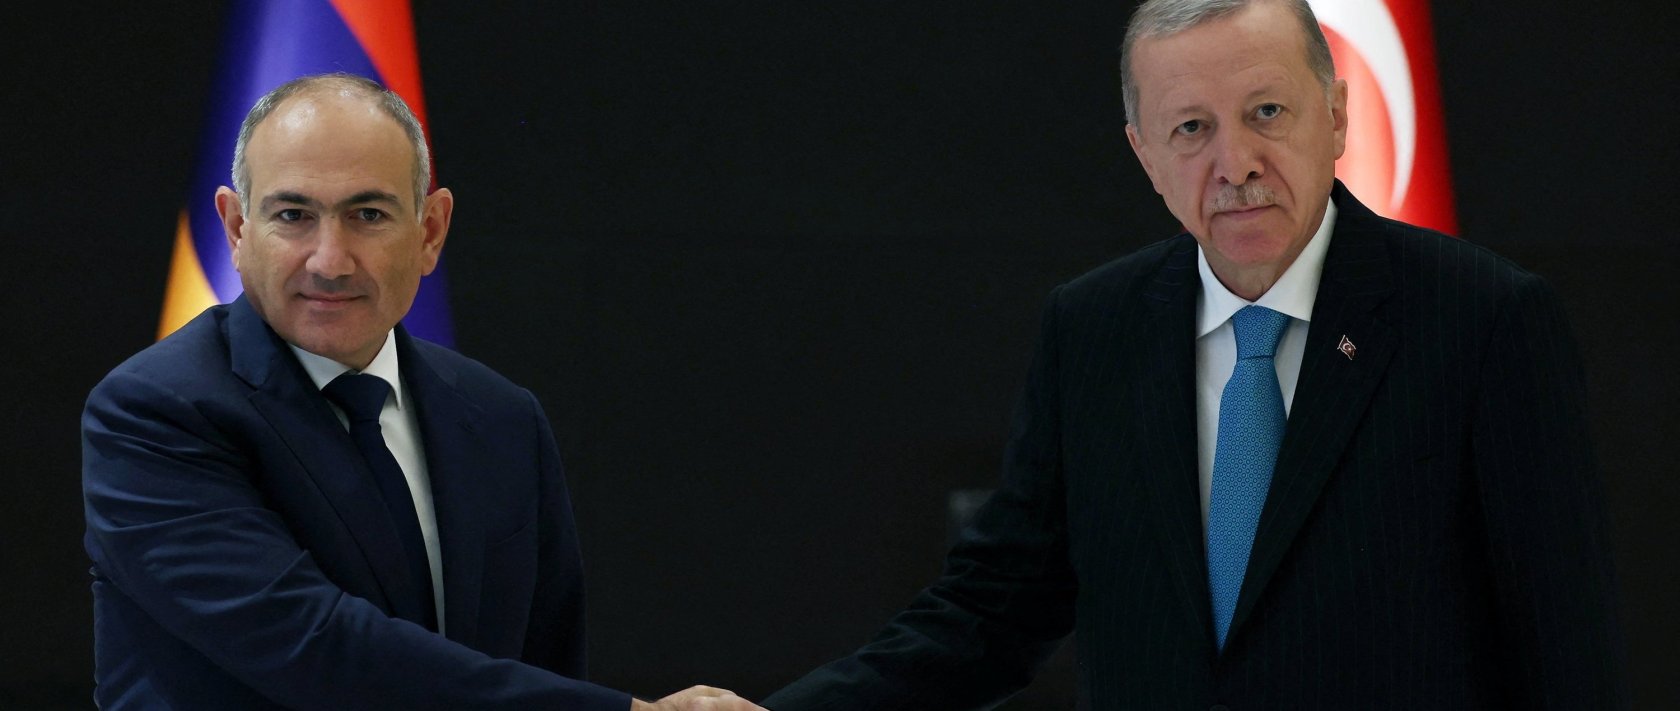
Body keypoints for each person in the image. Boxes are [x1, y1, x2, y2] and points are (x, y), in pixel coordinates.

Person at [763, 0, 1625, 708]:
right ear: (1146, 157)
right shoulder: (1093, 327)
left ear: (1335, 116)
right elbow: (994, 609)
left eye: (1267, 112)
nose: (1234, 162)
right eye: (1190, 129)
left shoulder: (1481, 317)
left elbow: (1564, 646)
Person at [82, 74, 762, 711]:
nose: (329, 259)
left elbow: (546, 662)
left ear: (430, 230)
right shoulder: (153, 410)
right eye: (292, 215)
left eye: (368, 214)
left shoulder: (503, 418)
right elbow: (313, 643)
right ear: (236, 229)